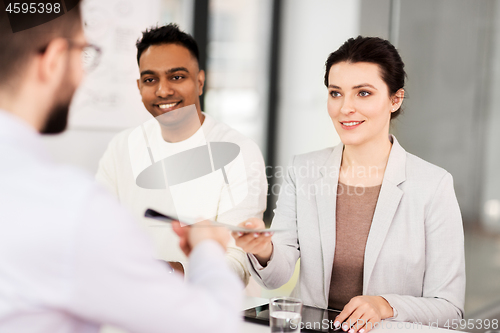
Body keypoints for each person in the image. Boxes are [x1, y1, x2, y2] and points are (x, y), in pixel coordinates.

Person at [0, 3, 242, 333]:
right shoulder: (70, 207)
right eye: (84, 52)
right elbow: (212, 324)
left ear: (200, 81)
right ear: (54, 59)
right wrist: (208, 249)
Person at [234, 36, 466, 332]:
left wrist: (385, 305)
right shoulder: (304, 170)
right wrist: (263, 248)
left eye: (363, 93)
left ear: (395, 99)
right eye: (336, 93)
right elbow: (276, 276)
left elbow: (449, 311)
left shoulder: (433, 185)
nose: (345, 108)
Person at [95, 24, 267, 284]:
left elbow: (237, 262)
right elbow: (98, 233)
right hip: (127, 308)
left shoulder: (240, 152)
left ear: (199, 82)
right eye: (150, 80)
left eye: (176, 77)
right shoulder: (122, 147)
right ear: (139, 86)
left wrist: (160, 272)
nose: (163, 91)